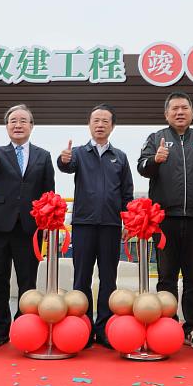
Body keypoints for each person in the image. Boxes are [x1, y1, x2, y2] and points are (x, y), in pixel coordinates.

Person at [137, 91, 193, 349]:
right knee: (166, 275)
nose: (179, 112)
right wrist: (155, 160)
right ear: (166, 114)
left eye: (184, 108)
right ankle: (167, 325)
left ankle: (192, 328)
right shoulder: (156, 139)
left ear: (191, 112)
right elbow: (142, 167)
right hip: (165, 220)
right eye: (174, 108)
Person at [58, 104, 134, 348]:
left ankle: (104, 328)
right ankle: (83, 328)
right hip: (83, 224)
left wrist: (128, 220)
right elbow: (66, 166)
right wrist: (63, 160)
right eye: (96, 121)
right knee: (81, 278)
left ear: (112, 126)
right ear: (89, 125)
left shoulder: (119, 156)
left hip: (111, 225)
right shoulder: (78, 153)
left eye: (105, 121)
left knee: (108, 278)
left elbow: (127, 193)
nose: (100, 125)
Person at [0, 104, 55, 349]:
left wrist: (47, 223)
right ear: (7, 126)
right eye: (13, 121)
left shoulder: (43, 155)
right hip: (1, 223)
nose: (18, 125)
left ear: (32, 126)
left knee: (27, 280)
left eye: (23, 121)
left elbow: (49, 192)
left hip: (30, 227)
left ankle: (25, 328)